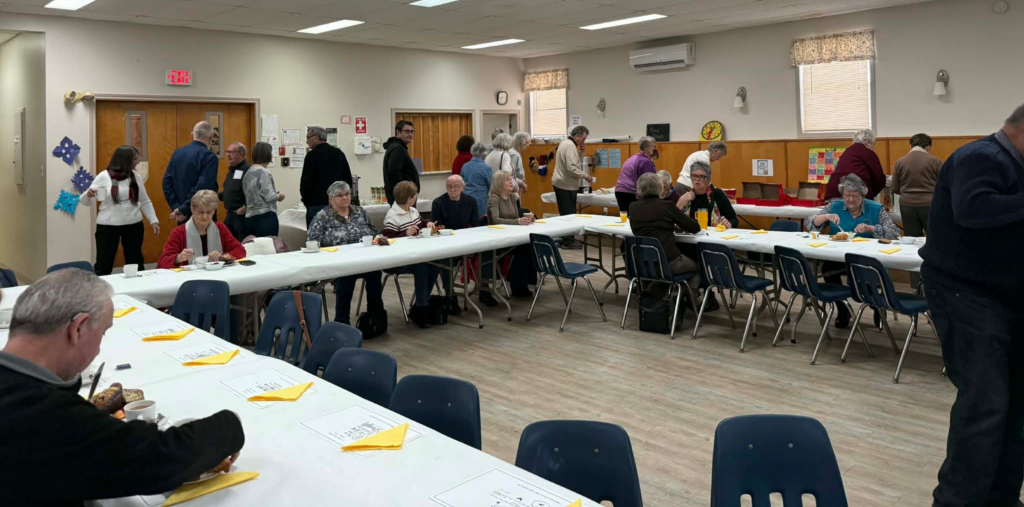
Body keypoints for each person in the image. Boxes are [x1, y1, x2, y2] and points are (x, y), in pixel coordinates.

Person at [0, 269, 245, 506]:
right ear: (78, 329)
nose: (98, 350)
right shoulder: (45, 414)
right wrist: (229, 426)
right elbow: (159, 459)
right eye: (103, 333)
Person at [921, 104, 1024, 507]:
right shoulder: (980, 156)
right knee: (985, 403)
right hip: (966, 294)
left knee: (1014, 406)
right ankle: (958, 501)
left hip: (1007, 299)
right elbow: (974, 209)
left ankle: (1000, 497)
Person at [805, 174, 899, 327]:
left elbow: (894, 232)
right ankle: (842, 309)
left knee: (867, 273)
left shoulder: (875, 209)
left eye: (855, 196)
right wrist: (825, 217)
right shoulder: (834, 206)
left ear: (862, 195)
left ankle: (876, 306)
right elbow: (810, 224)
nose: (850, 200)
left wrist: (872, 228)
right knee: (827, 268)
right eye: (846, 196)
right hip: (838, 258)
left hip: (867, 260)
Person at [307, 182, 385, 326]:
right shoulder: (322, 216)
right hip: (338, 263)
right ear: (331, 199)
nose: (345, 198)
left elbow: (374, 233)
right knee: (346, 276)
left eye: (347, 194)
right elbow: (312, 242)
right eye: (340, 195)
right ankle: (342, 321)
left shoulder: (360, 212)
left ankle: (375, 317)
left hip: (364, 260)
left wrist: (379, 238)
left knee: (375, 273)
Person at [81, 146, 159, 276]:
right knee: (104, 263)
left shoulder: (135, 177)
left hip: (134, 224)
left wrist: (153, 220)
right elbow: (84, 201)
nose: (138, 162)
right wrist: (88, 194)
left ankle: (138, 289)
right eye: (135, 159)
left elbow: (144, 200)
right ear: (125, 160)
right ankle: (100, 293)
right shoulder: (104, 176)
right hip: (108, 226)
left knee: (135, 262)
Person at [381, 181, 442, 328]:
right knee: (422, 267)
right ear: (409, 198)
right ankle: (421, 308)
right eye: (415, 196)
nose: (415, 198)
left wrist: (427, 223)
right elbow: (387, 240)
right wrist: (404, 233)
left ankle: (421, 303)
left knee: (435, 265)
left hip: (414, 254)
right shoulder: (392, 216)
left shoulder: (412, 211)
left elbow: (420, 222)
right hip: (398, 259)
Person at [629, 173, 702, 289]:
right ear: (659, 187)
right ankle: (692, 299)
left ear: (639, 189)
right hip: (668, 262)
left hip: (643, 263)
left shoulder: (633, 207)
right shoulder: (667, 206)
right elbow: (695, 227)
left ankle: (660, 292)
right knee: (699, 266)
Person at [484, 171, 537, 304]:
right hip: (498, 239)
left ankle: (521, 283)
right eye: (508, 180)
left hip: (512, 235)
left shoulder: (513, 197)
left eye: (511, 180)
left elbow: (514, 217)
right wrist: (518, 221)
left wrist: (526, 218)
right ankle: (517, 283)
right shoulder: (494, 199)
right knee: (524, 248)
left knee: (529, 245)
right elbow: (495, 220)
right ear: (500, 183)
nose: (511, 182)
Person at [431, 175, 482, 314]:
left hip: (465, 242)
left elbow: (476, 225)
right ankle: (450, 295)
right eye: (449, 187)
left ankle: (484, 289)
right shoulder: (438, 202)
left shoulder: (470, 201)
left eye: (456, 187)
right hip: (446, 243)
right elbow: (436, 227)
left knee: (486, 252)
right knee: (445, 259)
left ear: (462, 188)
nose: (452, 189)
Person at [158, 190, 247, 268]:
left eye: (209, 212)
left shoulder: (220, 228)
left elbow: (240, 250)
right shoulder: (179, 232)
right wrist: (179, 258)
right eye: (200, 212)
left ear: (214, 211)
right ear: (192, 209)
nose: (205, 216)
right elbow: (162, 262)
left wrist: (223, 257)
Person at [163, 121, 219, 224]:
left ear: (192, 134)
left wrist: (176, 207)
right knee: (205, 240)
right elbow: (203, 186)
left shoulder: (177, 153)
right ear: (211, 135)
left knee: (184, 239)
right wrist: (184, 208)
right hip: (203, 213)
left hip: (181, 214)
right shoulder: (209, 157)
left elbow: (166, 182)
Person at [553, 125, 596, 249]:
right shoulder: (570, 146)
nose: (584, 141)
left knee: (564, 213)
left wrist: (582, 152)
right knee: (569, 214)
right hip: (566, 184)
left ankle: (565, 238)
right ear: (577, 136)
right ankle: (568, 241)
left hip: (560, 182)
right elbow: (572, 168)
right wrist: (586, 176)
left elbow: (575, 163)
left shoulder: (565, 143)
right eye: (583, 138)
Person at [300, 126, 352, 227]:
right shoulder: (339, 153)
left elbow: (306, 182)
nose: (306, 141)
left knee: (316, 238)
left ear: (316, 137)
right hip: (338, 205)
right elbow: (347, 180)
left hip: (316, 204)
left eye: (308, 137)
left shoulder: (311, 156)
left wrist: (306, 201)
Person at [823, 129, 886, 201]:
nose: (873, 147)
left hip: (834, 192)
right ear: (869, 142)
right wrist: (872, 193)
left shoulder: (847, 151)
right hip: (856, 195)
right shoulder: (868, 153)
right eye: (873, 144)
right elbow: (879, 178)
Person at [243, 142, 285, 238]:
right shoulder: (264, 172)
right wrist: (279, 196)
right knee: (269, 247)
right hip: (265, 216)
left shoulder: (248, 172)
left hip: (250, 216)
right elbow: (269, 197)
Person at [682, 161, 737, 229]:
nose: (697, 179)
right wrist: (681, 201)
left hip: (713, 237)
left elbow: (734, 220)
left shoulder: (717, 194)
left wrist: (728, 224)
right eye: (694, 176)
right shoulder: (686, 197)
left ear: (708, 180)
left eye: (701, 176)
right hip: (690, 237)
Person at [615, 136, 658, 216]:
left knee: (626, 219)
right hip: (629, 192)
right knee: (636, 219)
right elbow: (647, 183)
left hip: (620, 192)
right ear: (645, 147)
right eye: (653, 145)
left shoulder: (636, 157)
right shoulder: (645, 161)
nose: (654, 148)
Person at [383, 120, 420, 206]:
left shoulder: (398, 147)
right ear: (398, 132)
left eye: (412, 132)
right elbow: (393, 174)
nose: (410, 134)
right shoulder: (397, 149)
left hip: (404, 198)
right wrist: (405, 194)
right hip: (403, 200)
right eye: (407, 131)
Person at [220, 142, 250, 241]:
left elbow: (252, 192)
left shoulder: (248, 170)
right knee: (227, 244)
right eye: (227, 152)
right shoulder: (232, 170)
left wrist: (246, 207)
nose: (228, 155)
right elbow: (230, 191)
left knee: (242, 245)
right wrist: (213, 196)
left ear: (241, 154)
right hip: (230, 215)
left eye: (231, 152)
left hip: (241, 217)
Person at [461, 142, 493, 219]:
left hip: (466, 199)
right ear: (484, 154)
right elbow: (491, 185)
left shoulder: (465, 166)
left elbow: (461, 183)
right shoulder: (486, 168)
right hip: (481, 201)